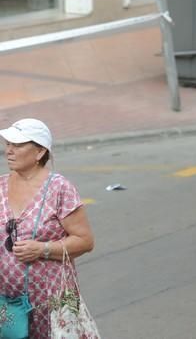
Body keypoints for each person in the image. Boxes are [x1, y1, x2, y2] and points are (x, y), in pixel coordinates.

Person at [0, 118, 95, 338]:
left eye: (18, 145)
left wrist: (42, 249)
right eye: (8, 145)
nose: (9, 151)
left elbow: (85, 240)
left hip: (53, 301)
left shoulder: (59, 188)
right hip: (7, 299)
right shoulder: (1, 185)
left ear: (40, 152)